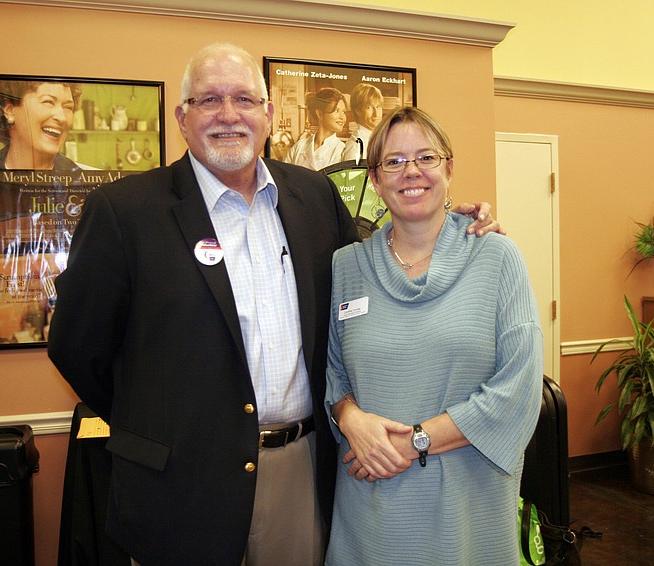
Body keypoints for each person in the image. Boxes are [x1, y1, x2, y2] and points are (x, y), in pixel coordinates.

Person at [47, 43, 501, 566]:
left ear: (267, 114)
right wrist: (160, 425)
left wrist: (457, 221)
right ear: (182, 117)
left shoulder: (313, 198)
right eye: (209, 100)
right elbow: (78, 349)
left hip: (299, 472)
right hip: (180, 487)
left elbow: (385, 263)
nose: (228, 115)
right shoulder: (125, 212)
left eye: (244, 98)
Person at [324, 106, 543, 565]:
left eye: (426, 157)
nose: (412, 172)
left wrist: (411, 442)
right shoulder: (348, 265)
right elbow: (331, 374)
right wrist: (349, 418)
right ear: (376, 180)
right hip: (371, 503)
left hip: (467, 506)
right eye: (394, 162)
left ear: (449, 168)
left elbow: (517, 389)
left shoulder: (497, 257)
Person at [0, 79, 90, 171]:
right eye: (48, 102)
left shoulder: (85, 181)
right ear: (10, 110)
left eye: (68, 107)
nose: (62, 118)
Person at [285, 87, 346, 170]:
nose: (343, 117)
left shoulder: (342, 150)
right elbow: (284, 176)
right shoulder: (299, 146)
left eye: (344, 112)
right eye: (336, 110)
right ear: (320, 113)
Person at [340, 83, 383, 163]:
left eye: (378, 107)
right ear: (358, 111)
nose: (376, 114)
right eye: (369, 107)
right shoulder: (355, 146)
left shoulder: (381, 138)